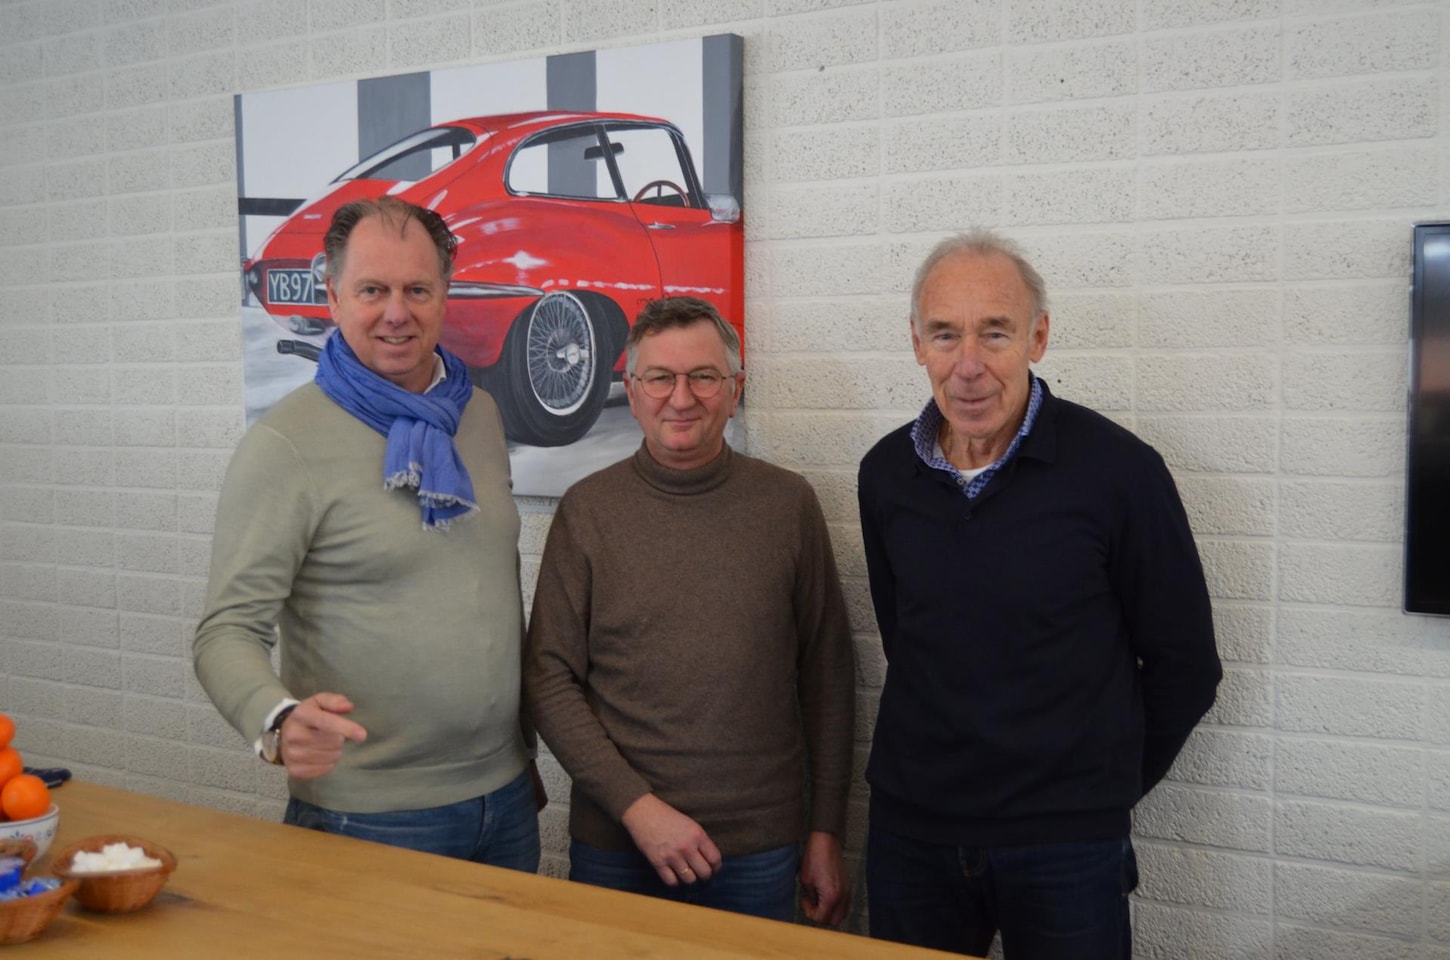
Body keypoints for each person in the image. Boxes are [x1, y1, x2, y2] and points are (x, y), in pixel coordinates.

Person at [858, 230, 1222, 959]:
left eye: (995, 333)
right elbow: (908, 638)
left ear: (1039, 337)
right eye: (945, 334)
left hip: (1066, 849)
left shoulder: (1120, 472)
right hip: (912, 837)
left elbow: (1186, 668)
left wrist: (1095, 792)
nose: (968, 365)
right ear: (917, 343)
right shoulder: (886, 474)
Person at [193, 196, 540, 870]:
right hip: (366, 813)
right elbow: (225, 630)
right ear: (332, 296)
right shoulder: (285, 444)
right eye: (372, 290)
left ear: (445, 294)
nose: (396, 313)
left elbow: (488, 592)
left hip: (505, 796)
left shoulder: (479, 415)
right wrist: (275, 718)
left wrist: (518, 756)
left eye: (417, 290)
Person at [524, 296, 855, 925]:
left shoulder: (787, 505)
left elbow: (828, 677)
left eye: (703, 376)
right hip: (619, 848)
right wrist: (637, 809)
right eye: (659, 377)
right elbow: (548, 678)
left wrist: (826, 831)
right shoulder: (588, 511)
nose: (681, 398)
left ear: (735, 390)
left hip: (759, 850)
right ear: (631, 391)